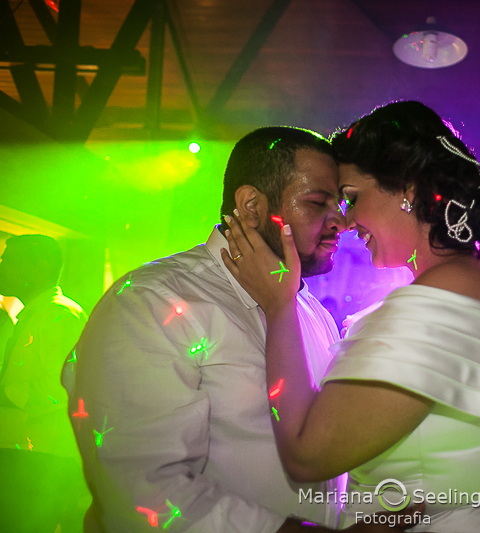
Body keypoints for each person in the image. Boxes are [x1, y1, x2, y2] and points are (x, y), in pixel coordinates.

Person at [222, 101, 480, 532]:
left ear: (409, 191)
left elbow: (306, 455)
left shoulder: (441, 299)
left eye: (351, 198)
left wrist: (280, 305)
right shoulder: (476, 286)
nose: (344, 222)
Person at [62, 127, 405, 532]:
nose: (342, 223)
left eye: (341, 205)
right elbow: (143, 492)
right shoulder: (152, 302)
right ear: (251, 206)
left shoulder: (308, 309)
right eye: (317, 203)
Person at [0, 234, 90, 532]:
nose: (1, 266)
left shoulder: (58, 314)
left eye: (9, 260)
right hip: (31, 453)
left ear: (37, 267)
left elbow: (61, 388)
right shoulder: (40, 313)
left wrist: (7, 398)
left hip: (40, 458)